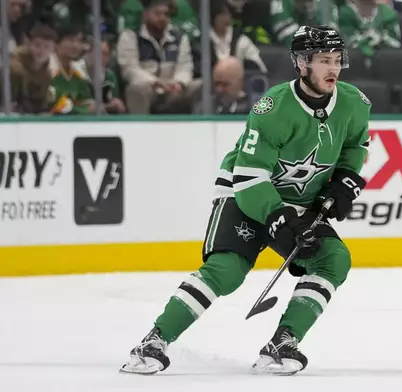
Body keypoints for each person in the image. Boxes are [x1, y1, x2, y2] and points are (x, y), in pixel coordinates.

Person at [120, 25, 371, 376]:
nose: (333, 69)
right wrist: (278, 219)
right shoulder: (272, 109)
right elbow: (250, 176)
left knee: (334, 260)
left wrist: (344, 181)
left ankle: (282, 342)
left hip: (299, 201)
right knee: (227, 271)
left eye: (337, 60)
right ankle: (154, 339)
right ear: (301, 64)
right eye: (323, 61)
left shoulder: (354, 103)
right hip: (247, 192)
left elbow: (354, 147)